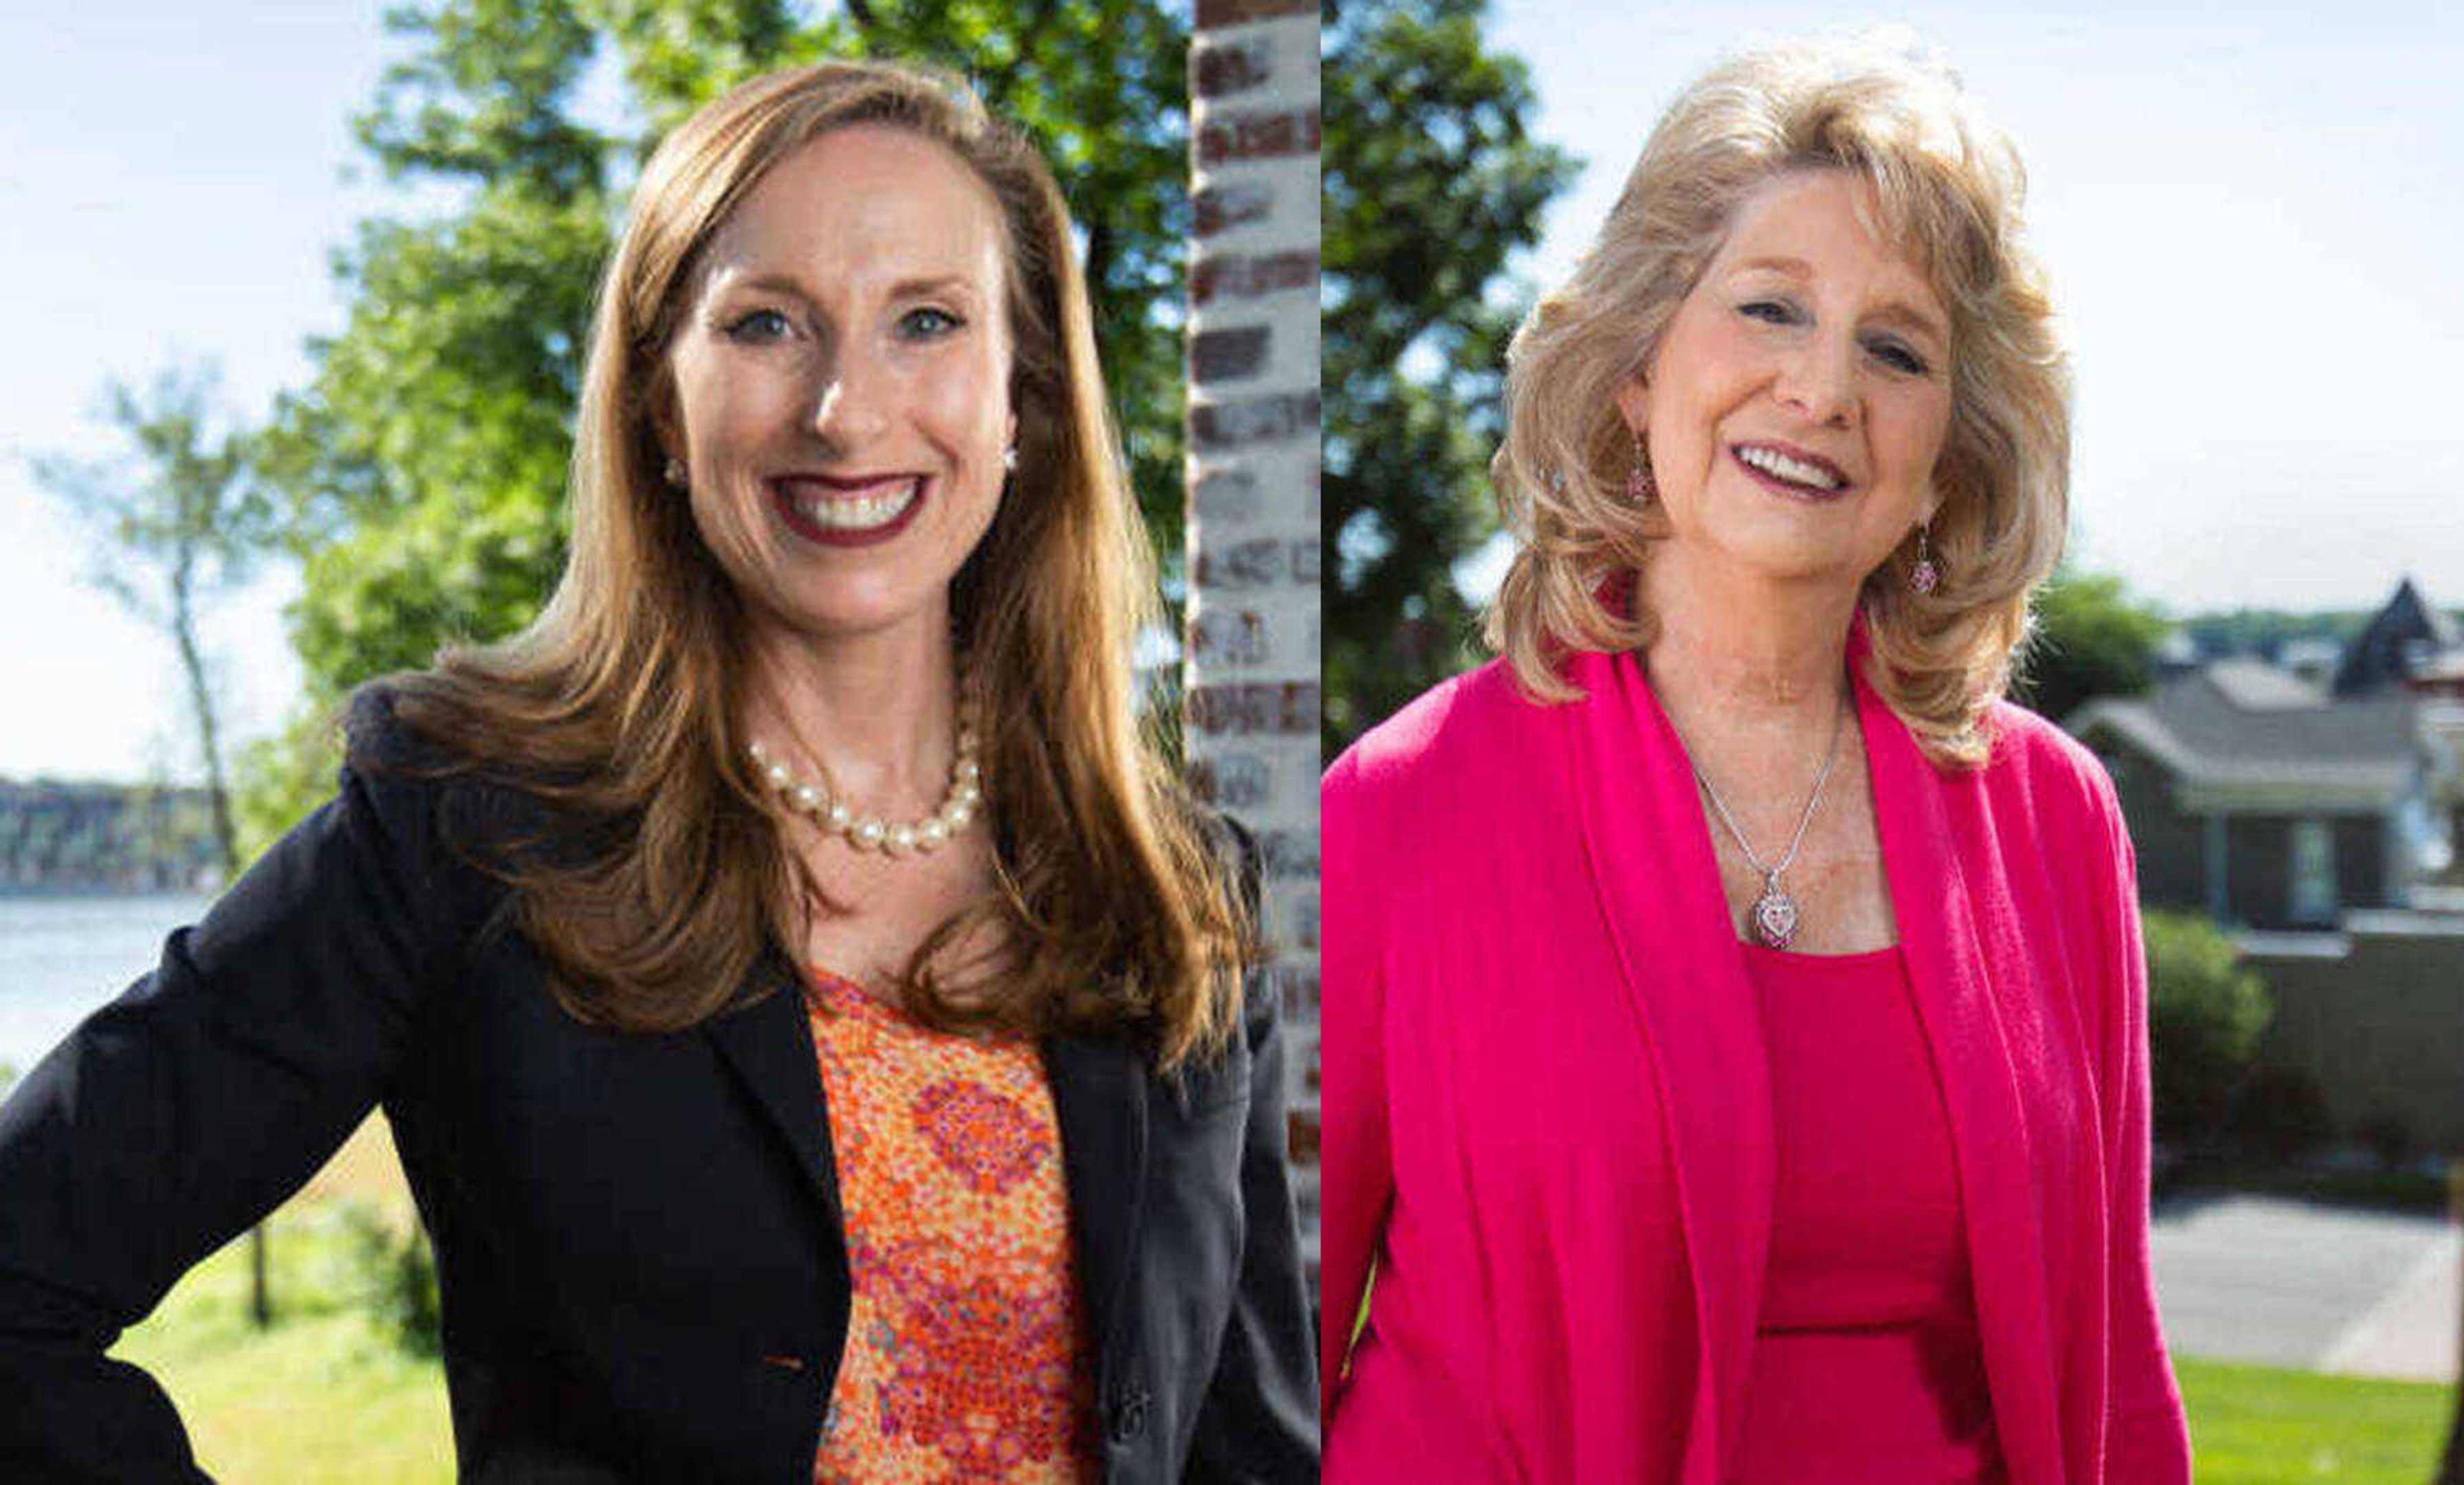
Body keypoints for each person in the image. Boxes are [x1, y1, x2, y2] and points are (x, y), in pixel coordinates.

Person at [0, 60, 1317, 1484]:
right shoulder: (471, 824)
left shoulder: (1175, 893)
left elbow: (1247, 1451)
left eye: (926, 321)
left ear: (1023, 405)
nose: (845, 411)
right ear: (656, 411)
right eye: (765, 326)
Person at [1321, 36, 2189, 1484]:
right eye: (1770, 308)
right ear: (1637, 372)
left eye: (1895, 348)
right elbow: (1258, 1343)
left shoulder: (2054, 817)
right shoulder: (1398, 811)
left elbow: (2117, 1357)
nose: (1821, 387)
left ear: (1946, 460)